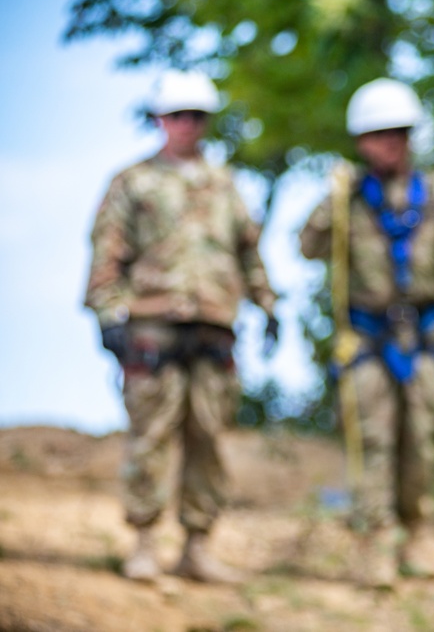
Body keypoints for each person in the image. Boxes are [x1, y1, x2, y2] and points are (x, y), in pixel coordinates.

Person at [299, 77, 434, 582]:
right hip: (367, 338)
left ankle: (419, 536)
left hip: (424, 338)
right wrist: (330, 203)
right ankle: (374, 542)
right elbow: (308, 246)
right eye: (379, 134)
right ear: (361, 141)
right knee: (374, 438)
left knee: (422, 437)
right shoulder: (348, 196)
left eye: (400, 132)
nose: (391, 142)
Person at [84, 69, 279, 584]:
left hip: (214, 330)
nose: (187, 125)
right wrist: (108, 316)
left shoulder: (225, 183)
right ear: (159, 119)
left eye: (196, 116)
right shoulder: (132, 182)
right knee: (150, 437)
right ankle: (144, 544)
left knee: (208, 441)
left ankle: (196, 547)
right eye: (177, 115)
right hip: (153, 330)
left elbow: (248, 251)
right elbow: (107, 254)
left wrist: (267, 304)